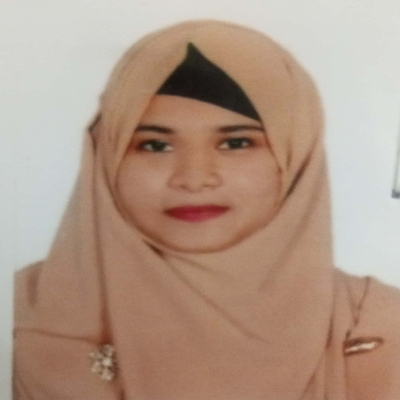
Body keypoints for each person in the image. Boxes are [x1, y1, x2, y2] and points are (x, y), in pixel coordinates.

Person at [13, 20, 400, 400]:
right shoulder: (21, 311)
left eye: (236, 143)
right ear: (107, 156)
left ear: (295, 158)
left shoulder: (375, 324)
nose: (194, 179)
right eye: (155, 146)